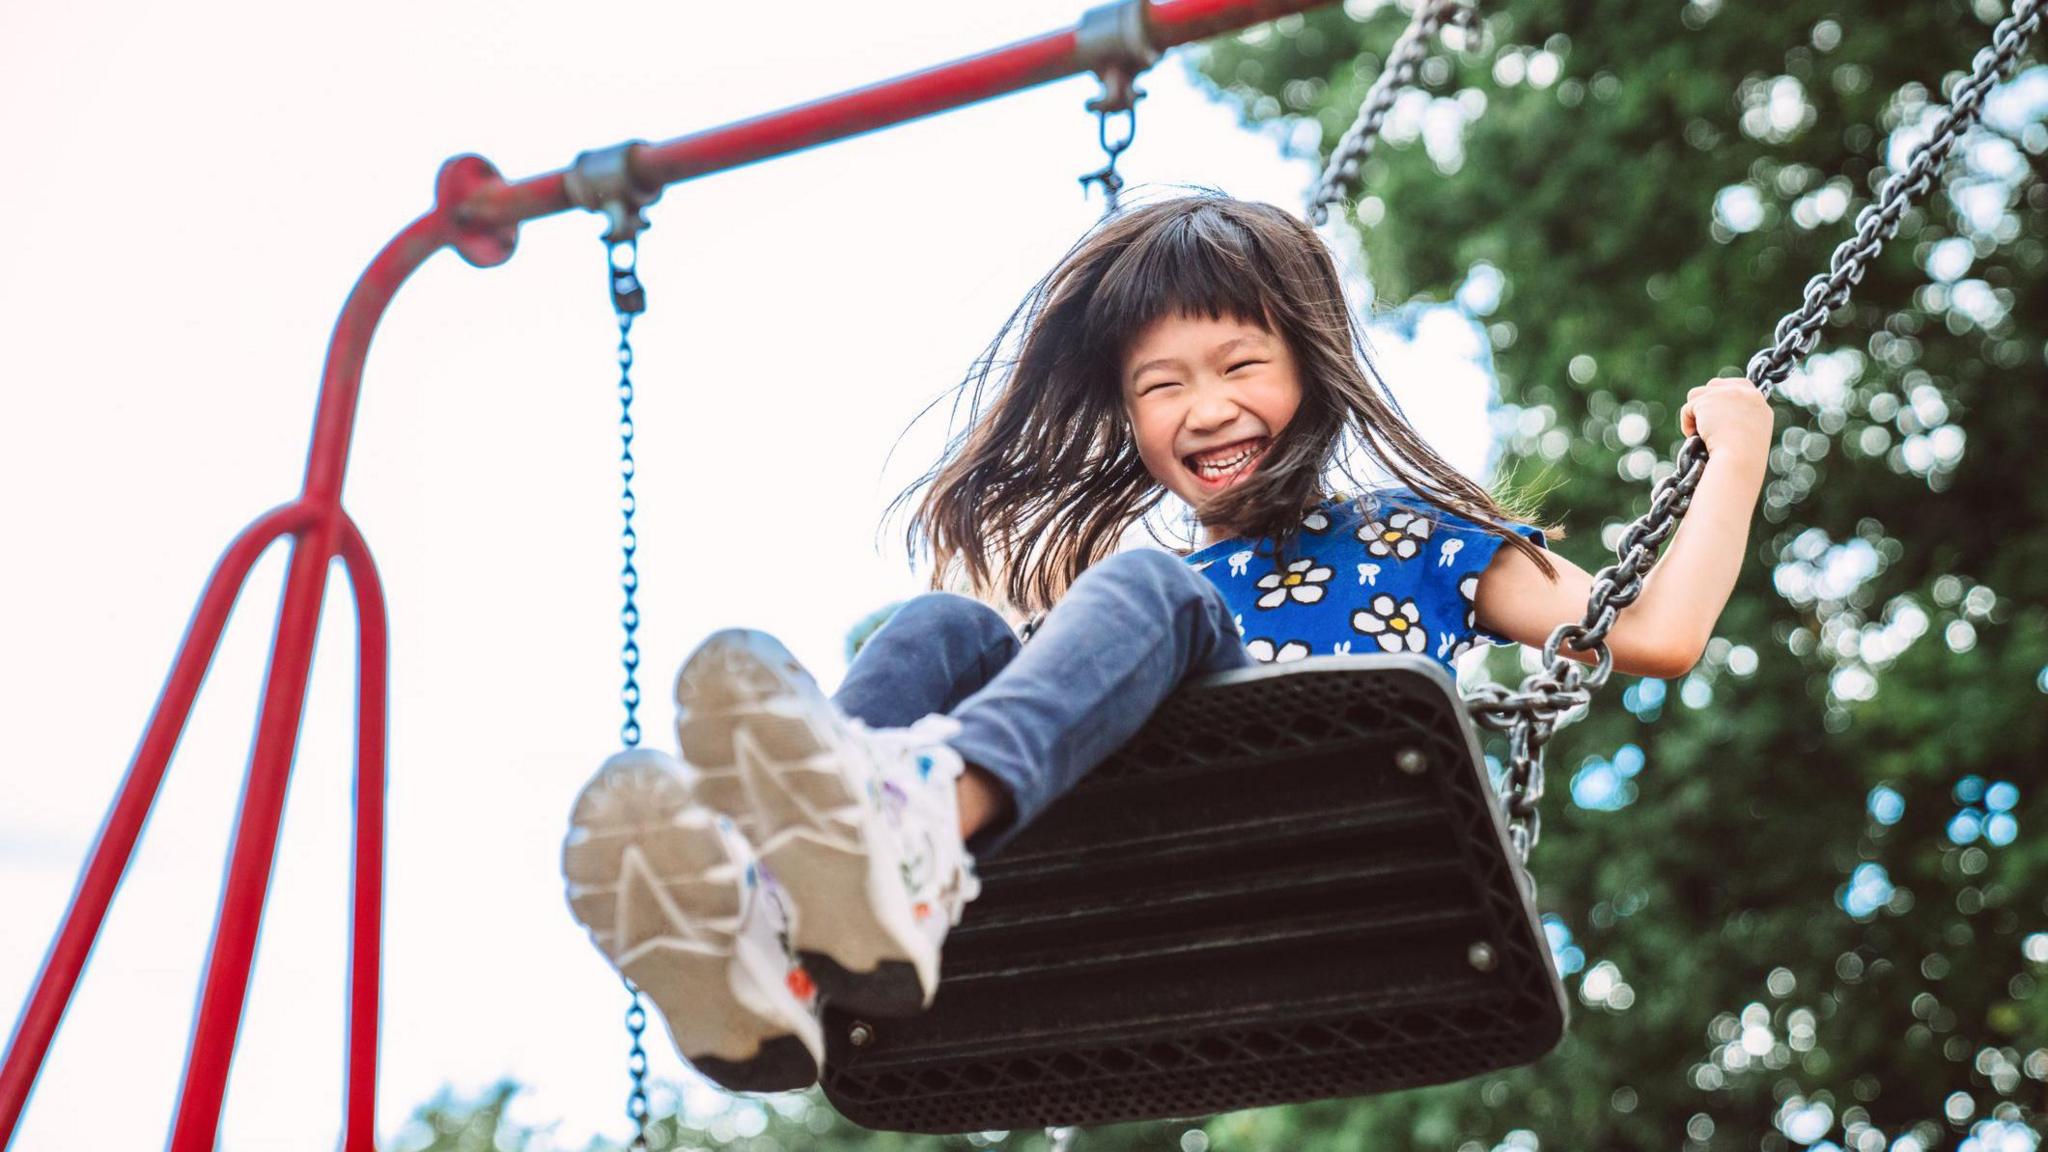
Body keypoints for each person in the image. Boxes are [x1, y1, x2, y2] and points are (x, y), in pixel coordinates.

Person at [559, 192, 1773, 1094]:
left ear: (1312, 368)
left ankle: (915, 824)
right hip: (1134, 855)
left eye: (1241, 364)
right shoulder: (1147, 599)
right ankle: (781, 931)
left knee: (1141, 590)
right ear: (1127, 417)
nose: (1203, 409)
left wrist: (1737, 448)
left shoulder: (1416, 537)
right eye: (1159, 388)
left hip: (1332, 835)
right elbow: (1069, 648)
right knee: (941, 626)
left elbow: (1653, 636)